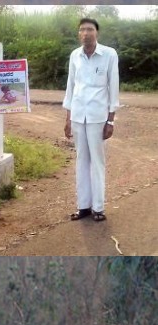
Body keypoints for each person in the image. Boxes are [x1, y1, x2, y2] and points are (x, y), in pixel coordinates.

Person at [63, 17, 119, 222]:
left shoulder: (109, 55)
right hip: (78, 115)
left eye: (90, 29)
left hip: (97, 116)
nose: (86, 33)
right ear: (79, 34)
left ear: (97, 33)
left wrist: (111, 120)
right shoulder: (74, 56)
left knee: (97, 161)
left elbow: (113, 87)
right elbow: (71, 86)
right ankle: (83, 207)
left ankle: (98, 208)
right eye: (82, 30)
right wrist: (68, 117)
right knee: (81, 161)